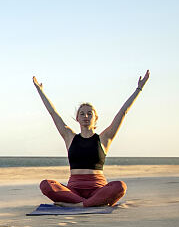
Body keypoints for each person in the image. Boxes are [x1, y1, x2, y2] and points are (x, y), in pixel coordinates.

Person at [32, 71, 150, 207]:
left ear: (96, 118)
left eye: (89, 114)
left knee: (120, 186)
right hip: (74, 190)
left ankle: (79, 204)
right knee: (46, 185)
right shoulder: (69, 137)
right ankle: (89, 203)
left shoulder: (104, 138)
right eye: (82, 114)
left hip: (98, 190)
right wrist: (40, 91)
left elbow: (123, 112)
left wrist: (139, 88)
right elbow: (53, 113)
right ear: (77, 118)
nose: (86, 116)